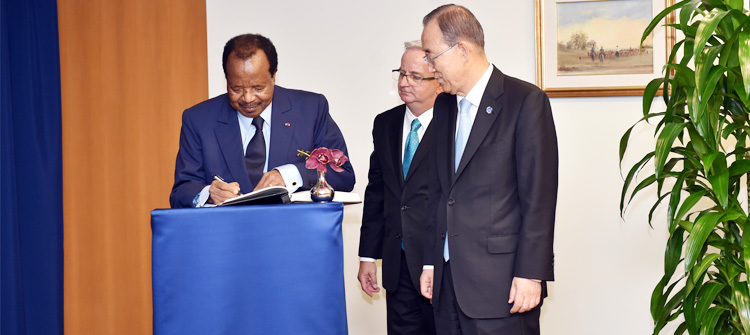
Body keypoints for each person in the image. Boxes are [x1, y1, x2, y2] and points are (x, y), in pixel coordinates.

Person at [418, 5, 558, 335]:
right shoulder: (443, 105)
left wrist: (531, 274)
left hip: (503, 285)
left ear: (462, 50)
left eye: (431, 55)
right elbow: (440, 191)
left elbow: (538, 197)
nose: (429, 66)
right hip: (447, 285)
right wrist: (430, 261)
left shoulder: (525, 101)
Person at [170, 34, 355, 208]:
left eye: (258, 87)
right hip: (227, 235)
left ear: (274, 75)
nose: (248, 98)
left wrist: (291, 174)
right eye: (236, 88)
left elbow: (343, 174)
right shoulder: (199, 120)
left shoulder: (311, 109)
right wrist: (208, 194)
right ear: (226, 78)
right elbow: (181, 191)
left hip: (295, 234)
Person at [358, 41, 442, 335]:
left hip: (442, 263)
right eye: (401, 73)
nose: (404, 83)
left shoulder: (455, 124)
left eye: (416, 76)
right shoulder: (385, 123)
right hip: (397, 262)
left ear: (440, 81)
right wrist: (368, 256)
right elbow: (376, 192)